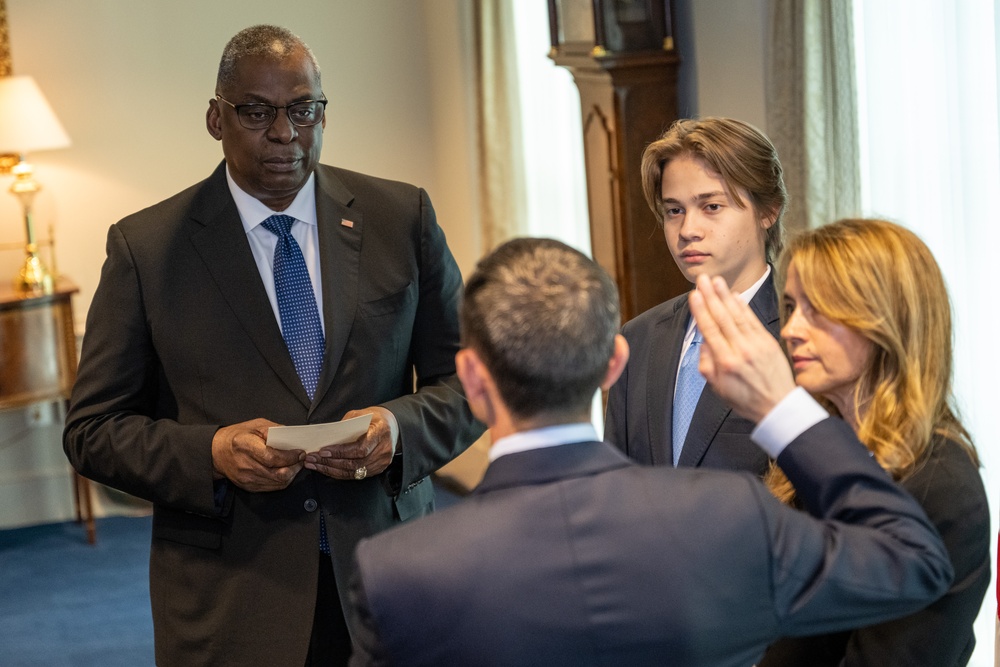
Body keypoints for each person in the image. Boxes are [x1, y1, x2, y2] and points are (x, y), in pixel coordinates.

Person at [63, 25, 482, 666]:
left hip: (389, 578)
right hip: (233, 599)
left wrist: (398, 428)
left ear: (323, 111)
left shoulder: (403, 218)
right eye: (256, 113)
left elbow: (471, 382)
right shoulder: (146, 250)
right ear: (215, 117)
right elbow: (92, 430)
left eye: (303, 110)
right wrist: (209, 452)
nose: (285, 134)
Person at [347, 237, 953, 667]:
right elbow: (914, 561)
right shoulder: (729, 516)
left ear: (472, 379)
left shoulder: (397, 572)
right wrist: (781, 408)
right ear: (614, 363)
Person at [756, 219, 990, 667]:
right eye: (791, 306)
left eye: (818, 310)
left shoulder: (940, 484)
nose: (790, 330)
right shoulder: (816, 456)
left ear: (887, 319)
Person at [604, 117, 784, 474]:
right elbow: (618, 483)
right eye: (674, 211)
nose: (687, 230)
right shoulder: (638, 339)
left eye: (711, 207)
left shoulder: (800, 339)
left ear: (768, 210)